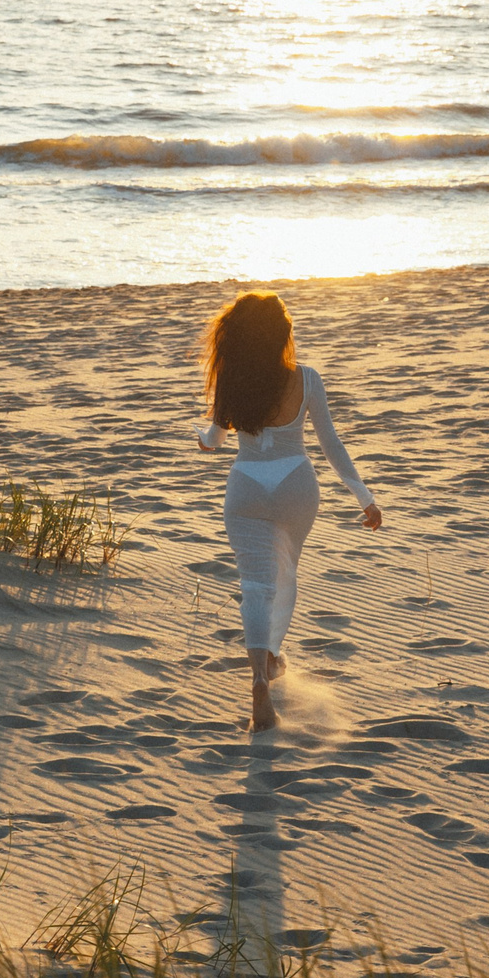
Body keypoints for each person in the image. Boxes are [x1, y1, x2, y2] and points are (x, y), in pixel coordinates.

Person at [196, 291, 381, 730]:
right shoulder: (307, 378)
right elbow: (331, 444)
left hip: (247, 490)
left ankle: (260, 680)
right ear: (282, 334)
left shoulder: (231, 381)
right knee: (285, 575)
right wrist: (365, 497)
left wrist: (203, 440)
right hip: (297, 486)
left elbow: (213, 439)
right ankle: (274, 656)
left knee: (256, 585)